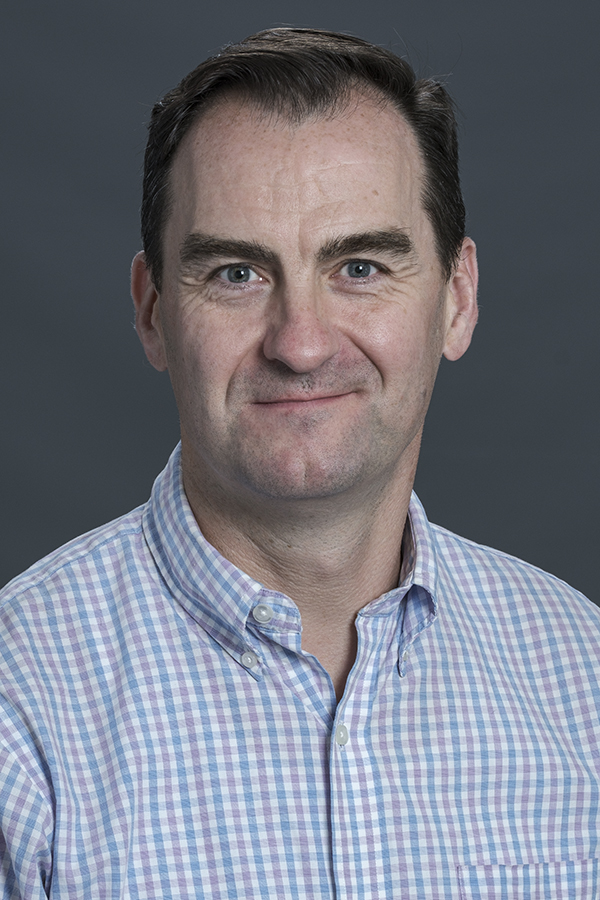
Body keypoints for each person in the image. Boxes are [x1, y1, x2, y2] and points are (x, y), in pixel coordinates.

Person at [1, 27, 598, 900]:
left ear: (457, 301)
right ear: (152, 311)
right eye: (237, 274)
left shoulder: (582, 677)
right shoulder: (18, 709)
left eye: (360, 266)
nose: (302, 343)